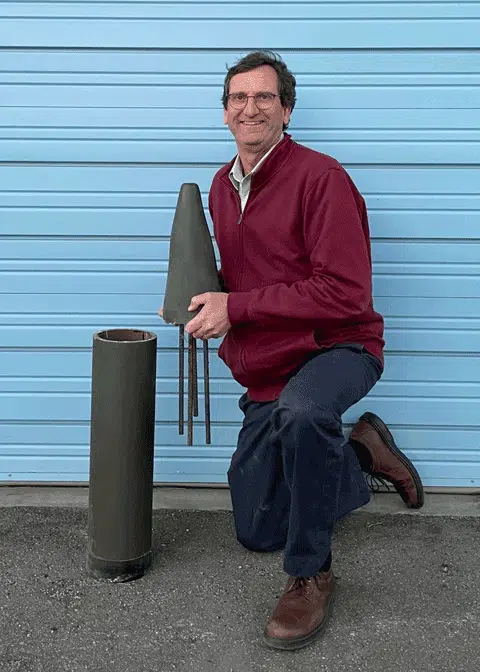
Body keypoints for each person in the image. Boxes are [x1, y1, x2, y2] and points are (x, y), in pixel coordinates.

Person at [159, 50, 424, 651]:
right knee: (256, 528)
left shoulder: (321, 178)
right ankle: (360, 451)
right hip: (272, 362)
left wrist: (240, 309)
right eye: (238, 98)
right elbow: (252, 273)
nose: (250, 107)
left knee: (304, 412)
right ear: (225, 112)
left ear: (286, 109)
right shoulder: (224, 189)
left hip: (340, 345)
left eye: (264, 97)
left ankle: (310, 573)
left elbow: (345, 291)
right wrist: (199, 297)